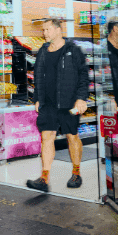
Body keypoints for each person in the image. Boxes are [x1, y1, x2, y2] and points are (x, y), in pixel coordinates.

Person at [26, 18, 89, 192]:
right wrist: (37, 98)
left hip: (69, 103)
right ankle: (44, 178)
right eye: (43, 30)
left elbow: (83, 75)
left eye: (47, 29)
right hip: (48, 104)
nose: (44, 33)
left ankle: (76, 173)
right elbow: (38, 76)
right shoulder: (43, 51)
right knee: (46, 137)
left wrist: (81, 98)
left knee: (72, 136)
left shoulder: (73, 50)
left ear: (58, 30)